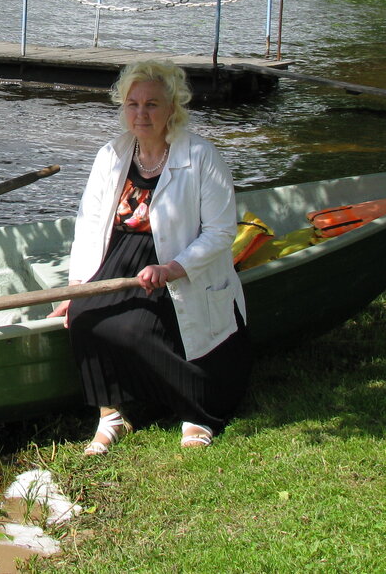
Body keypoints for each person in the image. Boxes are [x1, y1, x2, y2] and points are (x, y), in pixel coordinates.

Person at [48, 59, 251, 454]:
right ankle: (112, 416)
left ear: (173, 108)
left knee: (143, 329)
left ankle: (197, 412)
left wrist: (174, 267)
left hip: (178, 262)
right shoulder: (112, 154)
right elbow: (89, 223)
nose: (141, 113)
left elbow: (221, 231)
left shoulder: (201, 156)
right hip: (119, 256)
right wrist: (76, 287)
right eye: (133, 104)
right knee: (86, 317)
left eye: (152, 104)